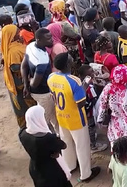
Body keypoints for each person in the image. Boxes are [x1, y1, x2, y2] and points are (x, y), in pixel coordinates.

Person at [47, 52, 100, 183]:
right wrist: (85, 86)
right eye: (70, 59)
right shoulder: (74, 81)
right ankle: (86, 174)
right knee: (82, 146)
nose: (73, 60)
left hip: (61, 116)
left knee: (67, 143)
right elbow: (80, 103)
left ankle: (70, 166)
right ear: (68, 64)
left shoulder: (51, 77)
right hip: (76, 119)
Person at [18, 105, 71, 187]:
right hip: (51, 171)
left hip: (35, 168)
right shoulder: (47, 138)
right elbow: (63, 145)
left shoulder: (22, 133)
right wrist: (56, 150)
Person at [0, 24, 35, 128]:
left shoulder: (13, 46)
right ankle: (28, 127)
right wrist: (28, 64)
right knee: (25, 105)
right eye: (17, 33)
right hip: (20, 83)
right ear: (11, 35)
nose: (19, 34)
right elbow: (15, 67)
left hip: (23, 80)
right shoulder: (12, 50)